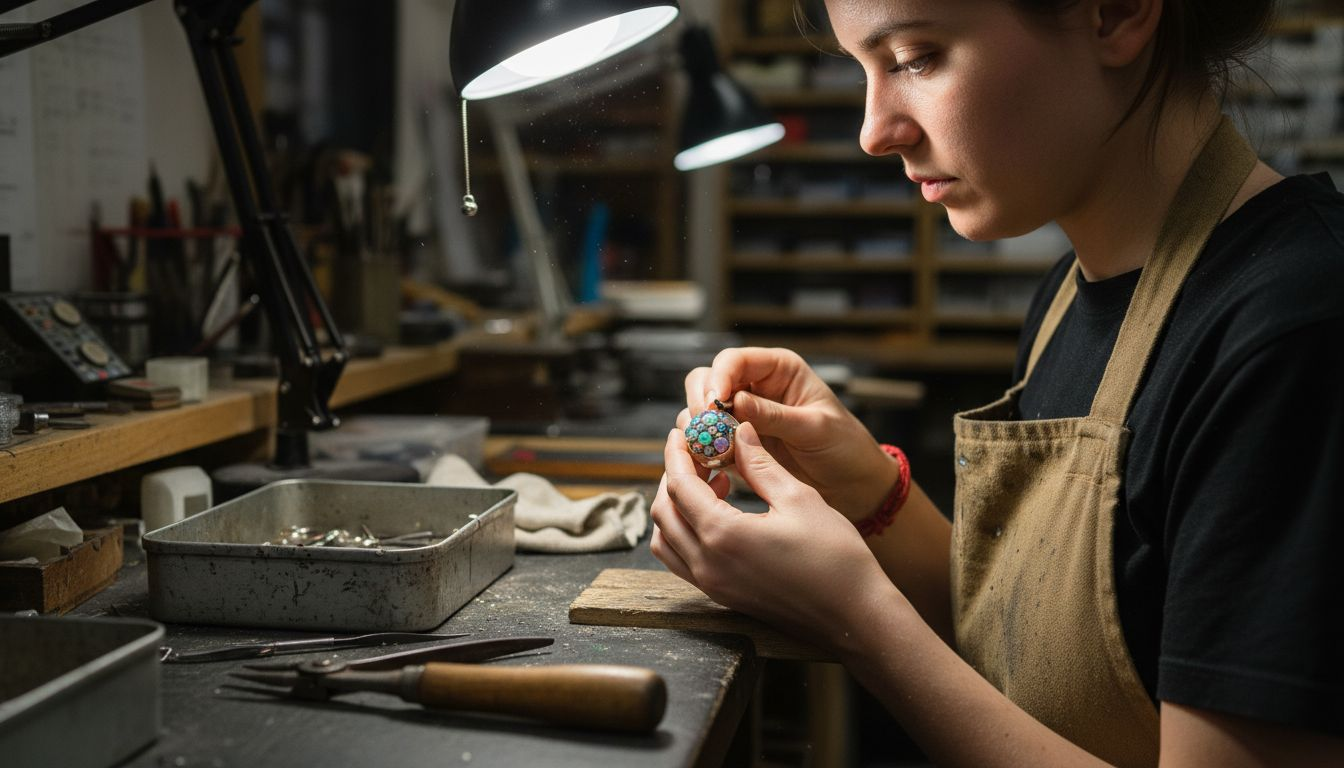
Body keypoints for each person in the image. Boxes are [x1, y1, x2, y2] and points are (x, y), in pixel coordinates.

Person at [650, 0, 1344, 765]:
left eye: (914, 58)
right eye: (862, 69)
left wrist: (855, 619)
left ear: (1114, 14)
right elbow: (1023, 651)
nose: (875, 131)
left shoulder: (1296, 335)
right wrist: (866, 489)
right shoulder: (1068, 296)